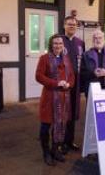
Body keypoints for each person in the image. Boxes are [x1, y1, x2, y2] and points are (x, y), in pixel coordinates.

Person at [35, 34, 75, 165]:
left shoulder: (67, 59)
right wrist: (56, 83)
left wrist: (69, 84)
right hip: (49, 98)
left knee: (60, 125)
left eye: (60, 43)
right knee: (45, 126)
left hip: (63, 98)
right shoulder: (44, 58)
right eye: (55, 43)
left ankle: (54, 150)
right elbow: (39, 76)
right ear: (51, 45)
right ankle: (46, 152)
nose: (58, 46)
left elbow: (71, 76)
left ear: (63, 45)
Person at [62, 16, 85, 152]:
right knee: (62, 113)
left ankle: (70, 141)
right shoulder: (58, 41)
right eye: (69, 24)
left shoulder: (80, 43)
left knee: (73, 113)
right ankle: (60, 142)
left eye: (74, 25)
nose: (72, 26)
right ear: (64, 25)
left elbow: (82, 63)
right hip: (63, 83)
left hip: (75, 83)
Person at [80, 29, 105, 97]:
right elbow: (82, 74)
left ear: (104, 39)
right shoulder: (86, 55)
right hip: (92, 91)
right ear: (93, 41)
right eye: (95, 38)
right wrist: (93, 73)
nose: (98, 40)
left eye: (100, 38)